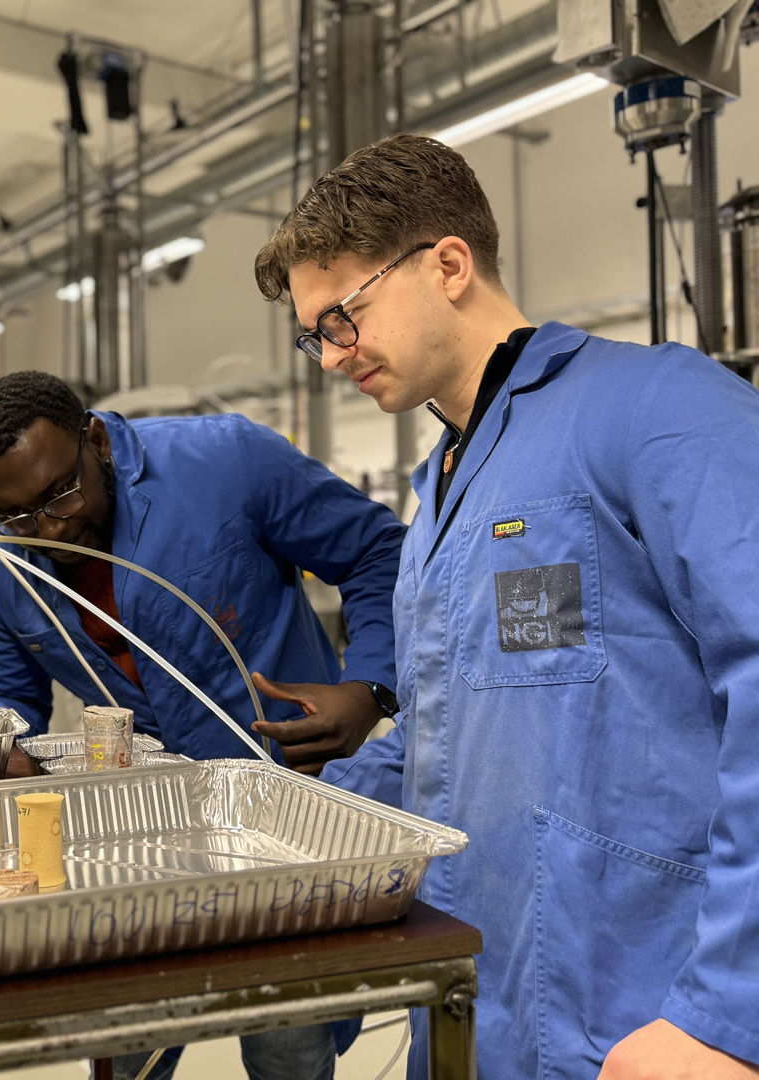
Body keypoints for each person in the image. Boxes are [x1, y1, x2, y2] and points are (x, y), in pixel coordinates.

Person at [253, 132, 759, 1079]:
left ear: (448, 264)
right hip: (480, 999)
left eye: (342, 318)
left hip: (648, 1011)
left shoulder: (653, 408)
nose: (330, 356)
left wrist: (732, 1012)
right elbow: (440, 734)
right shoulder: (440, 488)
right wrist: (283, 838)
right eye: (314, 333)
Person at [0, 371, 407, 1080]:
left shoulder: (226, 463)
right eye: (14, 513)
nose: (49, 527)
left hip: (281, 828)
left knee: (286, 1046)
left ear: (95, 441)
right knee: (125, 1044)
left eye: (61, 493)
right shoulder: (7, 567)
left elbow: (380, 553)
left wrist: (370, 686)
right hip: (134, 846)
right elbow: (9, 699)